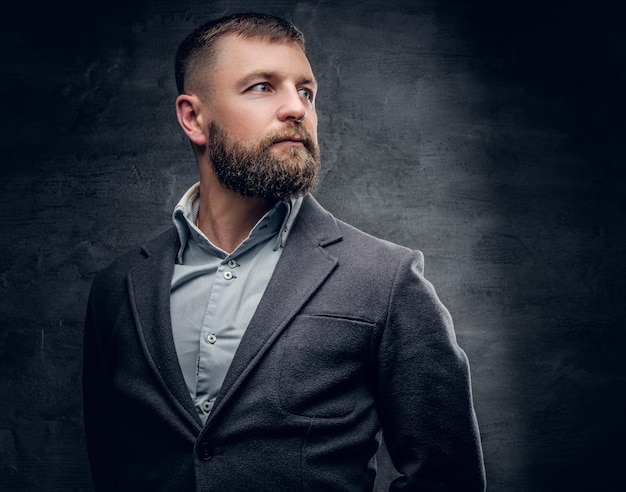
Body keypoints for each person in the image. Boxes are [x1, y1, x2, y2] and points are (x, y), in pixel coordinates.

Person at [82, 12, 486, 492]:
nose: (296, 107)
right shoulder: (119, 287)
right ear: (193, 117)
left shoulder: (387, 278)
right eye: (262, 87)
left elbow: (449, 479)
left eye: (306, 91)